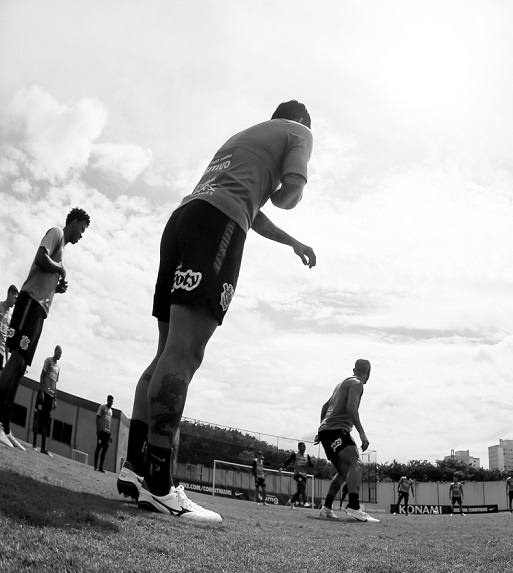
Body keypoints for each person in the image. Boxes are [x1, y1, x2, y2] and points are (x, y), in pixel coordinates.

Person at [117, 101, 317, 523]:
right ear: (302, 123)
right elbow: (288, 194)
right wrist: (290, 192)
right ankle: (159, 486)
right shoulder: (298, 132)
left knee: (165, 353)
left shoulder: (246, 138)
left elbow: (255, 211)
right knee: (186, 354)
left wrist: (293, 242)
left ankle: (135, 469)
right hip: (218, 226)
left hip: (184, 220)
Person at [0, 209, 89, 451]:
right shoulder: (57, 233)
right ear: (72, 222)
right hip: (29, 304)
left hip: (38, 312)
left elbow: (46, 273)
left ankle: (5, 427)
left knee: (20, 367)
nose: (82, 235)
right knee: (16, 359)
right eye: (81, 228)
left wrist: (56, 289)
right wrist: (59, 269)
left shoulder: (63, 251)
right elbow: (41, 258)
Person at [315, 359, 377, 522]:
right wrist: (362, 434)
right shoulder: (357, 384)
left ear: (354, 369)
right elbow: (351, 409)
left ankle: (326, 508)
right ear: (368, 373)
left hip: (326, 431)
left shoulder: (341, 384)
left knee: (343, 472)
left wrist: (321, 428)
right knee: (355, 463)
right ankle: (354, 507)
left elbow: (324, 406)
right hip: (337, 429)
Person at [29, 346, 63, 455]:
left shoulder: (58, 368)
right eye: (59, 352)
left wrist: (55, 400)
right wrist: (41, 391)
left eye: (61, 354)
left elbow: (55, 384)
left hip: (51, 397)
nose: (60, 355)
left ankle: (43, 447)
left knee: (46, 421)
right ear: (55, 351)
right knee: (38, 417)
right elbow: (42, 375)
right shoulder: (48, 361)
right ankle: (34, 443)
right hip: (43, 394)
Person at [282, 441, 313, 510]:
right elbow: (288, 460)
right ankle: (305, 502)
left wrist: (309, 462)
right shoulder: (295, 455)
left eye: (305, 447)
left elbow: (312, 465)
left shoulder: (306, 456)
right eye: (303, 447)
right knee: (302, 484)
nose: (304, 448)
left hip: (304, 475)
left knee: (299, 491)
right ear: (299, 447)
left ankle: (292, 500)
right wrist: (283, 467)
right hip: (297, 474)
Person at [95, 395, 114, 472]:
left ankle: (101, 467)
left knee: (105, 449)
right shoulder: (102, 407)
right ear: (107, 400)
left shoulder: (111, 411)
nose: (111, 402)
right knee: (98, 447)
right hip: (101, 431)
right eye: (110, 401)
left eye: (112, 401)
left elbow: (109, 423)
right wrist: (98, 429)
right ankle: (95, 466)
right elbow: (97, 418)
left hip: (107, 433)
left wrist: (110, 434)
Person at [0, 285, 18, 370]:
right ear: (10, 294)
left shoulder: (11, 318)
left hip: (1, 353)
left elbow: (7, 339)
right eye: (15, 298)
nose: (15, 302)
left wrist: (7, 360)